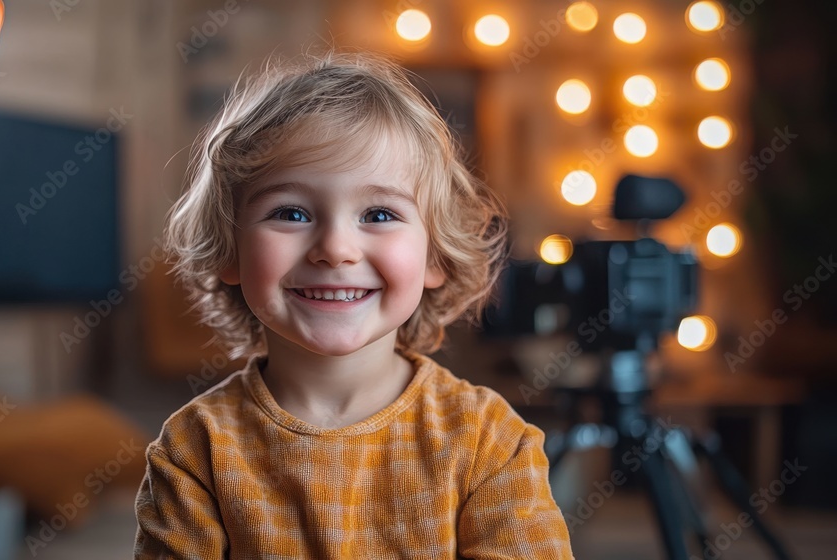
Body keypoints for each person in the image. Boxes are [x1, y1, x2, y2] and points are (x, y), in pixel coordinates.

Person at [134, 49, 573, 559]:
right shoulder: (194, 450)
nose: (337, 249)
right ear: (230, 250)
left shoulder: (489, 443)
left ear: (436, 256)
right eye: (292, 213)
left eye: (380, 213)